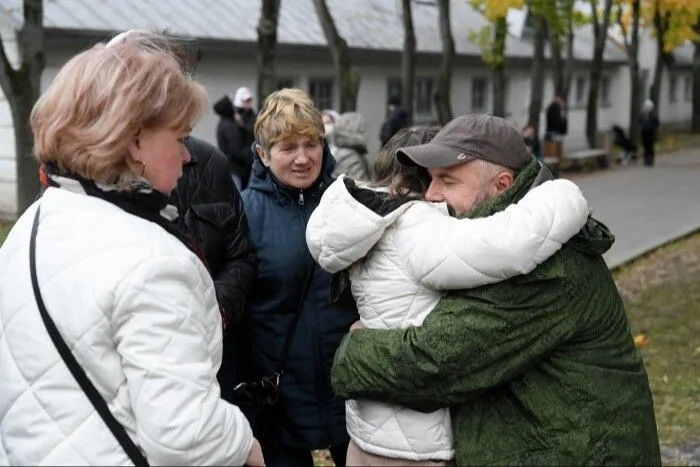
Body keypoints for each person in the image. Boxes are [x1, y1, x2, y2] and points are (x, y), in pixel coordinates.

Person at [331, 114, 661, 466]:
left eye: (448, 180)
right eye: (429, 180)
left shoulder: (542, 268)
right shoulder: (496, 248)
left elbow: (434, 363)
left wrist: (352, 351)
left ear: (502, 185)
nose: (430, 195)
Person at [0, 36, 263, 465]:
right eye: (179, 137)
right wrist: (243, 441)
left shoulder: (30, 225)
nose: (184, 155)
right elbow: (184, 435)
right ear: (135, 140)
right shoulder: (155, 261)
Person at [109, 28, 257, 400]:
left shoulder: (208, 164)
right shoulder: (84, 186)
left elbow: (240, 255)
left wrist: (212, 311)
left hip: (210, 368)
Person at [240, 88, 358, 466]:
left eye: (312, 144)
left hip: (352, 391)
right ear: (263, 153)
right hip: (280, 400)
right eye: (288, 147)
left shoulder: (349, 204)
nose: (303, 158)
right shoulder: (243, 215)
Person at [214, 86, 257, 190]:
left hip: (237, 168)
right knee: (238, 199)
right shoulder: (230, 125)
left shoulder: (225, 122)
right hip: (236, 169)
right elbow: (237, 150)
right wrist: (254, 155)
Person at [331, 111, 371, 181]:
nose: (366, 133)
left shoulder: (341, 153)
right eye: (361, 129)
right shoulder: (353, 158)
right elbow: (358, 188)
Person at [639, 99, 660, 167]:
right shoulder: (643, 114)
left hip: (651, 133)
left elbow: (657, 123)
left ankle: (650, 159)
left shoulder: (653, 115)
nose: (645, 108)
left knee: (650, 146)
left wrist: (652, 127)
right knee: (645, 146)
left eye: (646, 106)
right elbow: (639, 121)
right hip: (644, 132)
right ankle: (646, 159)